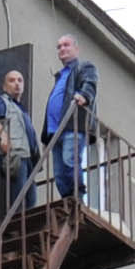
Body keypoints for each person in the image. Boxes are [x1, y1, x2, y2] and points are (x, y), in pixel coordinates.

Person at [41, 34, 101, 214]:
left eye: (66, 45)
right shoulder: (60, 76)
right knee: (59, 173)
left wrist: (84, 95)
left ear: (76, 48)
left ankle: (77, 199)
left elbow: (90, 82)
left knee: (69, 161)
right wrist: (45, 138)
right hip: (55, 131)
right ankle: (68, 202)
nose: (62, 49)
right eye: (59, 46)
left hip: (73, 125)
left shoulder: (84, 67)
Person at [0, 63, 36, 223]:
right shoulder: (1, 102)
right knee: (18, 197)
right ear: (5, 85)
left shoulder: (20, 109)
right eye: (12, 80)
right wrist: (5, 143)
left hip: (28, 158)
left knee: (31, 200)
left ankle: (26, 228)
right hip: (16, 155)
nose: (17, 83)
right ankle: (15, 227)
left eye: (20, 80)